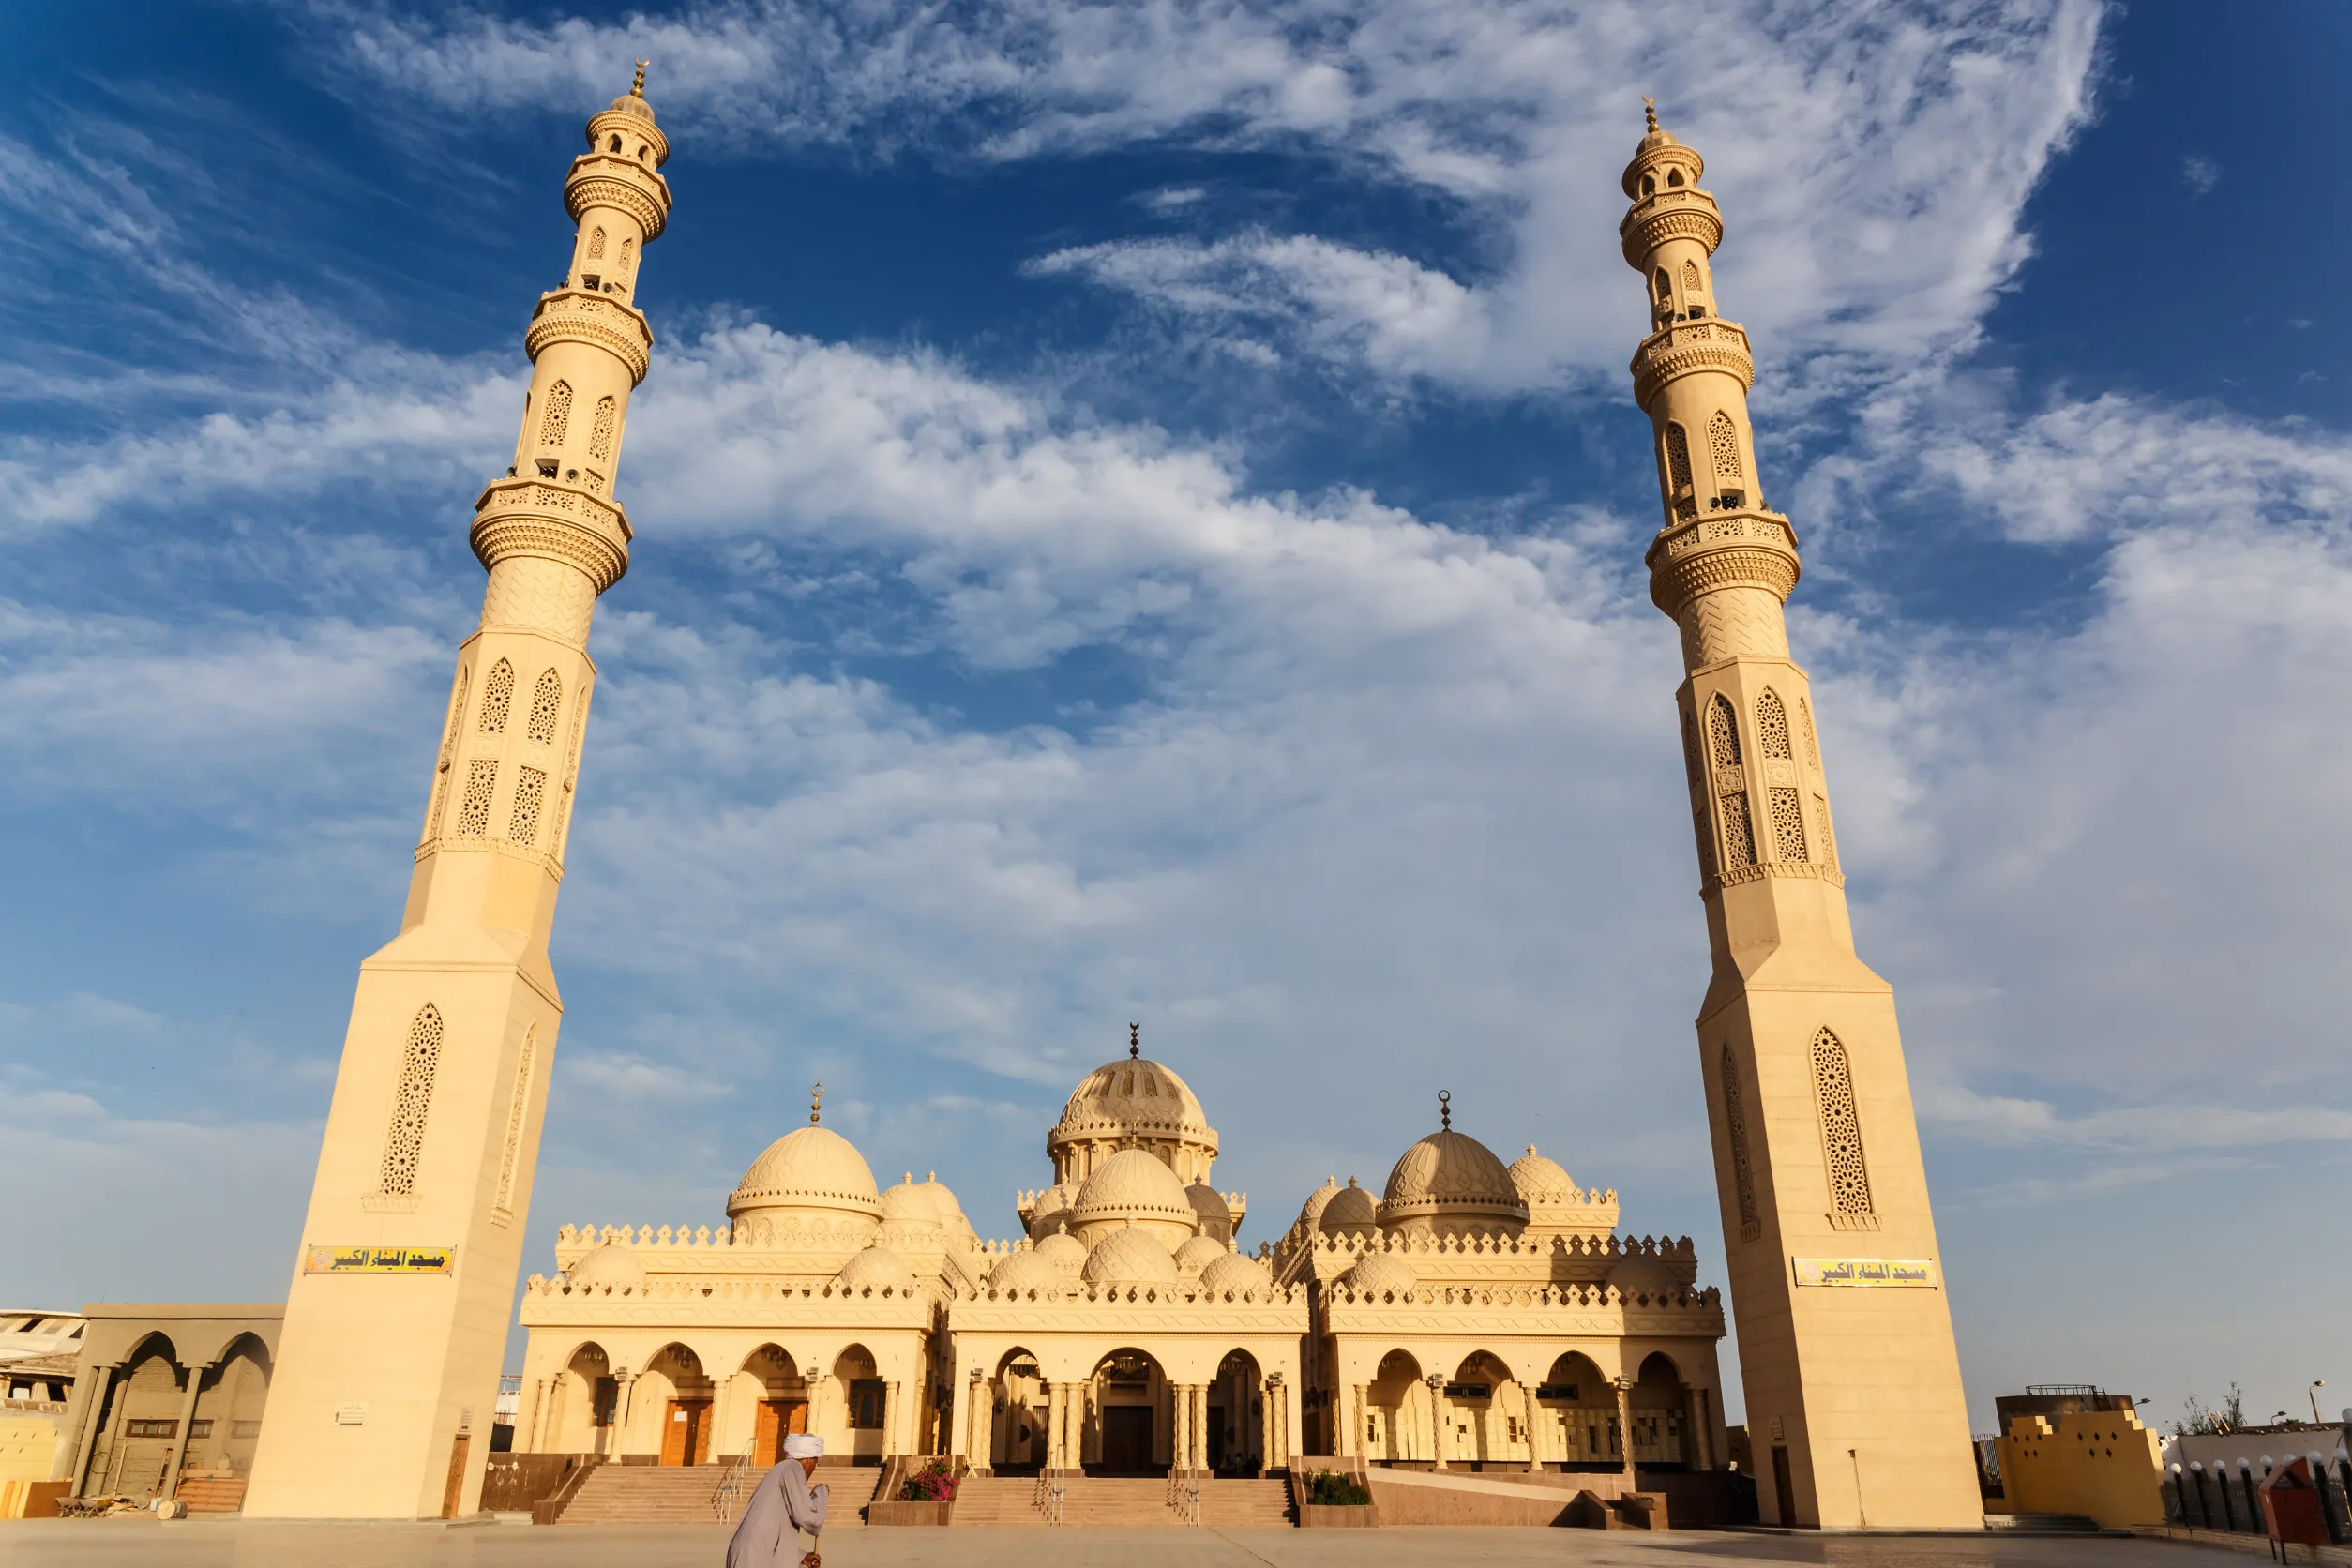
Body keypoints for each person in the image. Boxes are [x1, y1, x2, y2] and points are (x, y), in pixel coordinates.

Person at [726, 1432, 828, 1568]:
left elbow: (776, 1528)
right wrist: (821, 1492)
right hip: (754, 1554)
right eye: (816, 1463)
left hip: (752, 1550)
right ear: (809, 1460)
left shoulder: (780, 1469)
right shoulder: (793, 1468)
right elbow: (809, 1518)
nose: (814, 1469)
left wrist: (801, 1557)